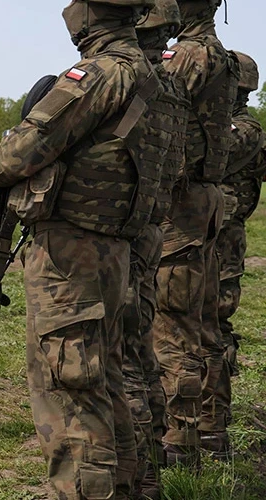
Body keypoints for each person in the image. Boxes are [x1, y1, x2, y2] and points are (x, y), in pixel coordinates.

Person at [0, 0, 157, 496]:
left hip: (73, 253)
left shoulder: (99, 74)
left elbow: (28, 144)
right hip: (116, 248)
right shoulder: (147, 75)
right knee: (105, 384)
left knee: (72, 392)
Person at [154, 0, 237, 468]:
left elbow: (153, 108)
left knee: (172, 332)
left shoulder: (187, 54)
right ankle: (208, 433)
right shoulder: (221, 55)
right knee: (202, 328)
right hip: (203, 204)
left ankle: (177, 445)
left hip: (180, 209)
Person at [123, 1, 187, 497]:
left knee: (120, 360)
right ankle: (152, 467)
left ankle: (134, 475)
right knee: (141, 349)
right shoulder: (173, 88)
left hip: (114, 237)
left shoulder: (125, 80)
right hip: (149, 229)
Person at [216, 50, 265, 432]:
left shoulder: (243, 129)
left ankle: (214, 417)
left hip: (225, 239)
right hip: (208, 233)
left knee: (216, 323)